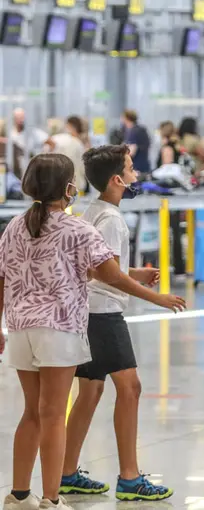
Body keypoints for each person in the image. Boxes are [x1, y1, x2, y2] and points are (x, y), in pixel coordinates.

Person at [0, 154, 185, 510]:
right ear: (69, 188)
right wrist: (157, 297)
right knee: (53, 413)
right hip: (59, 329)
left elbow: (2, 278)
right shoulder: (77, 230)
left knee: (32, 413)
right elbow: (111, 276)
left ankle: (19, 495)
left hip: (21, 329)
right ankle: (52, 499)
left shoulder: (15, 226)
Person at [60, 145, 184, 502]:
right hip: (103, 314)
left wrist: (135, 273)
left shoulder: (92, 211)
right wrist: (157, 298)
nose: (135, 175)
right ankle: (130, 477)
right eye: (130, 169)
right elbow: (108, 277)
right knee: (130, 388)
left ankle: (67, 472)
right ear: (117, 180)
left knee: (91, 390)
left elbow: (99, 268)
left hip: (86, 312)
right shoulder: (112, 219)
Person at [44, 116, 88, 192]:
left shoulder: (55, 139)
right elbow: (83, 168)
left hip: (55, 188)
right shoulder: (78, 143)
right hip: (75, 188)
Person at [121, 110, 150, 174]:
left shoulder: (134, 131)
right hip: (142, 165)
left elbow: (131, 151)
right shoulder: (138, 129)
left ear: (127, 118)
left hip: (137, 167)